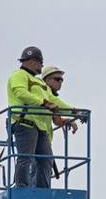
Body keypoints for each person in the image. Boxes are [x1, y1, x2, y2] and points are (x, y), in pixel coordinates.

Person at [7, 47, 73, 188]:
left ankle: (43, 190)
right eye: (40, 63)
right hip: (24, 124)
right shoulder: (18, 75)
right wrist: (43, 102)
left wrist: (73, 111)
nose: (41, 66)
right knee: (26, 158)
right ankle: (22, 188)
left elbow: (54, 101)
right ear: (31, 61)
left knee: (46, 160)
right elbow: (21, 93)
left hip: (40, 128)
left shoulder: (41, 83)